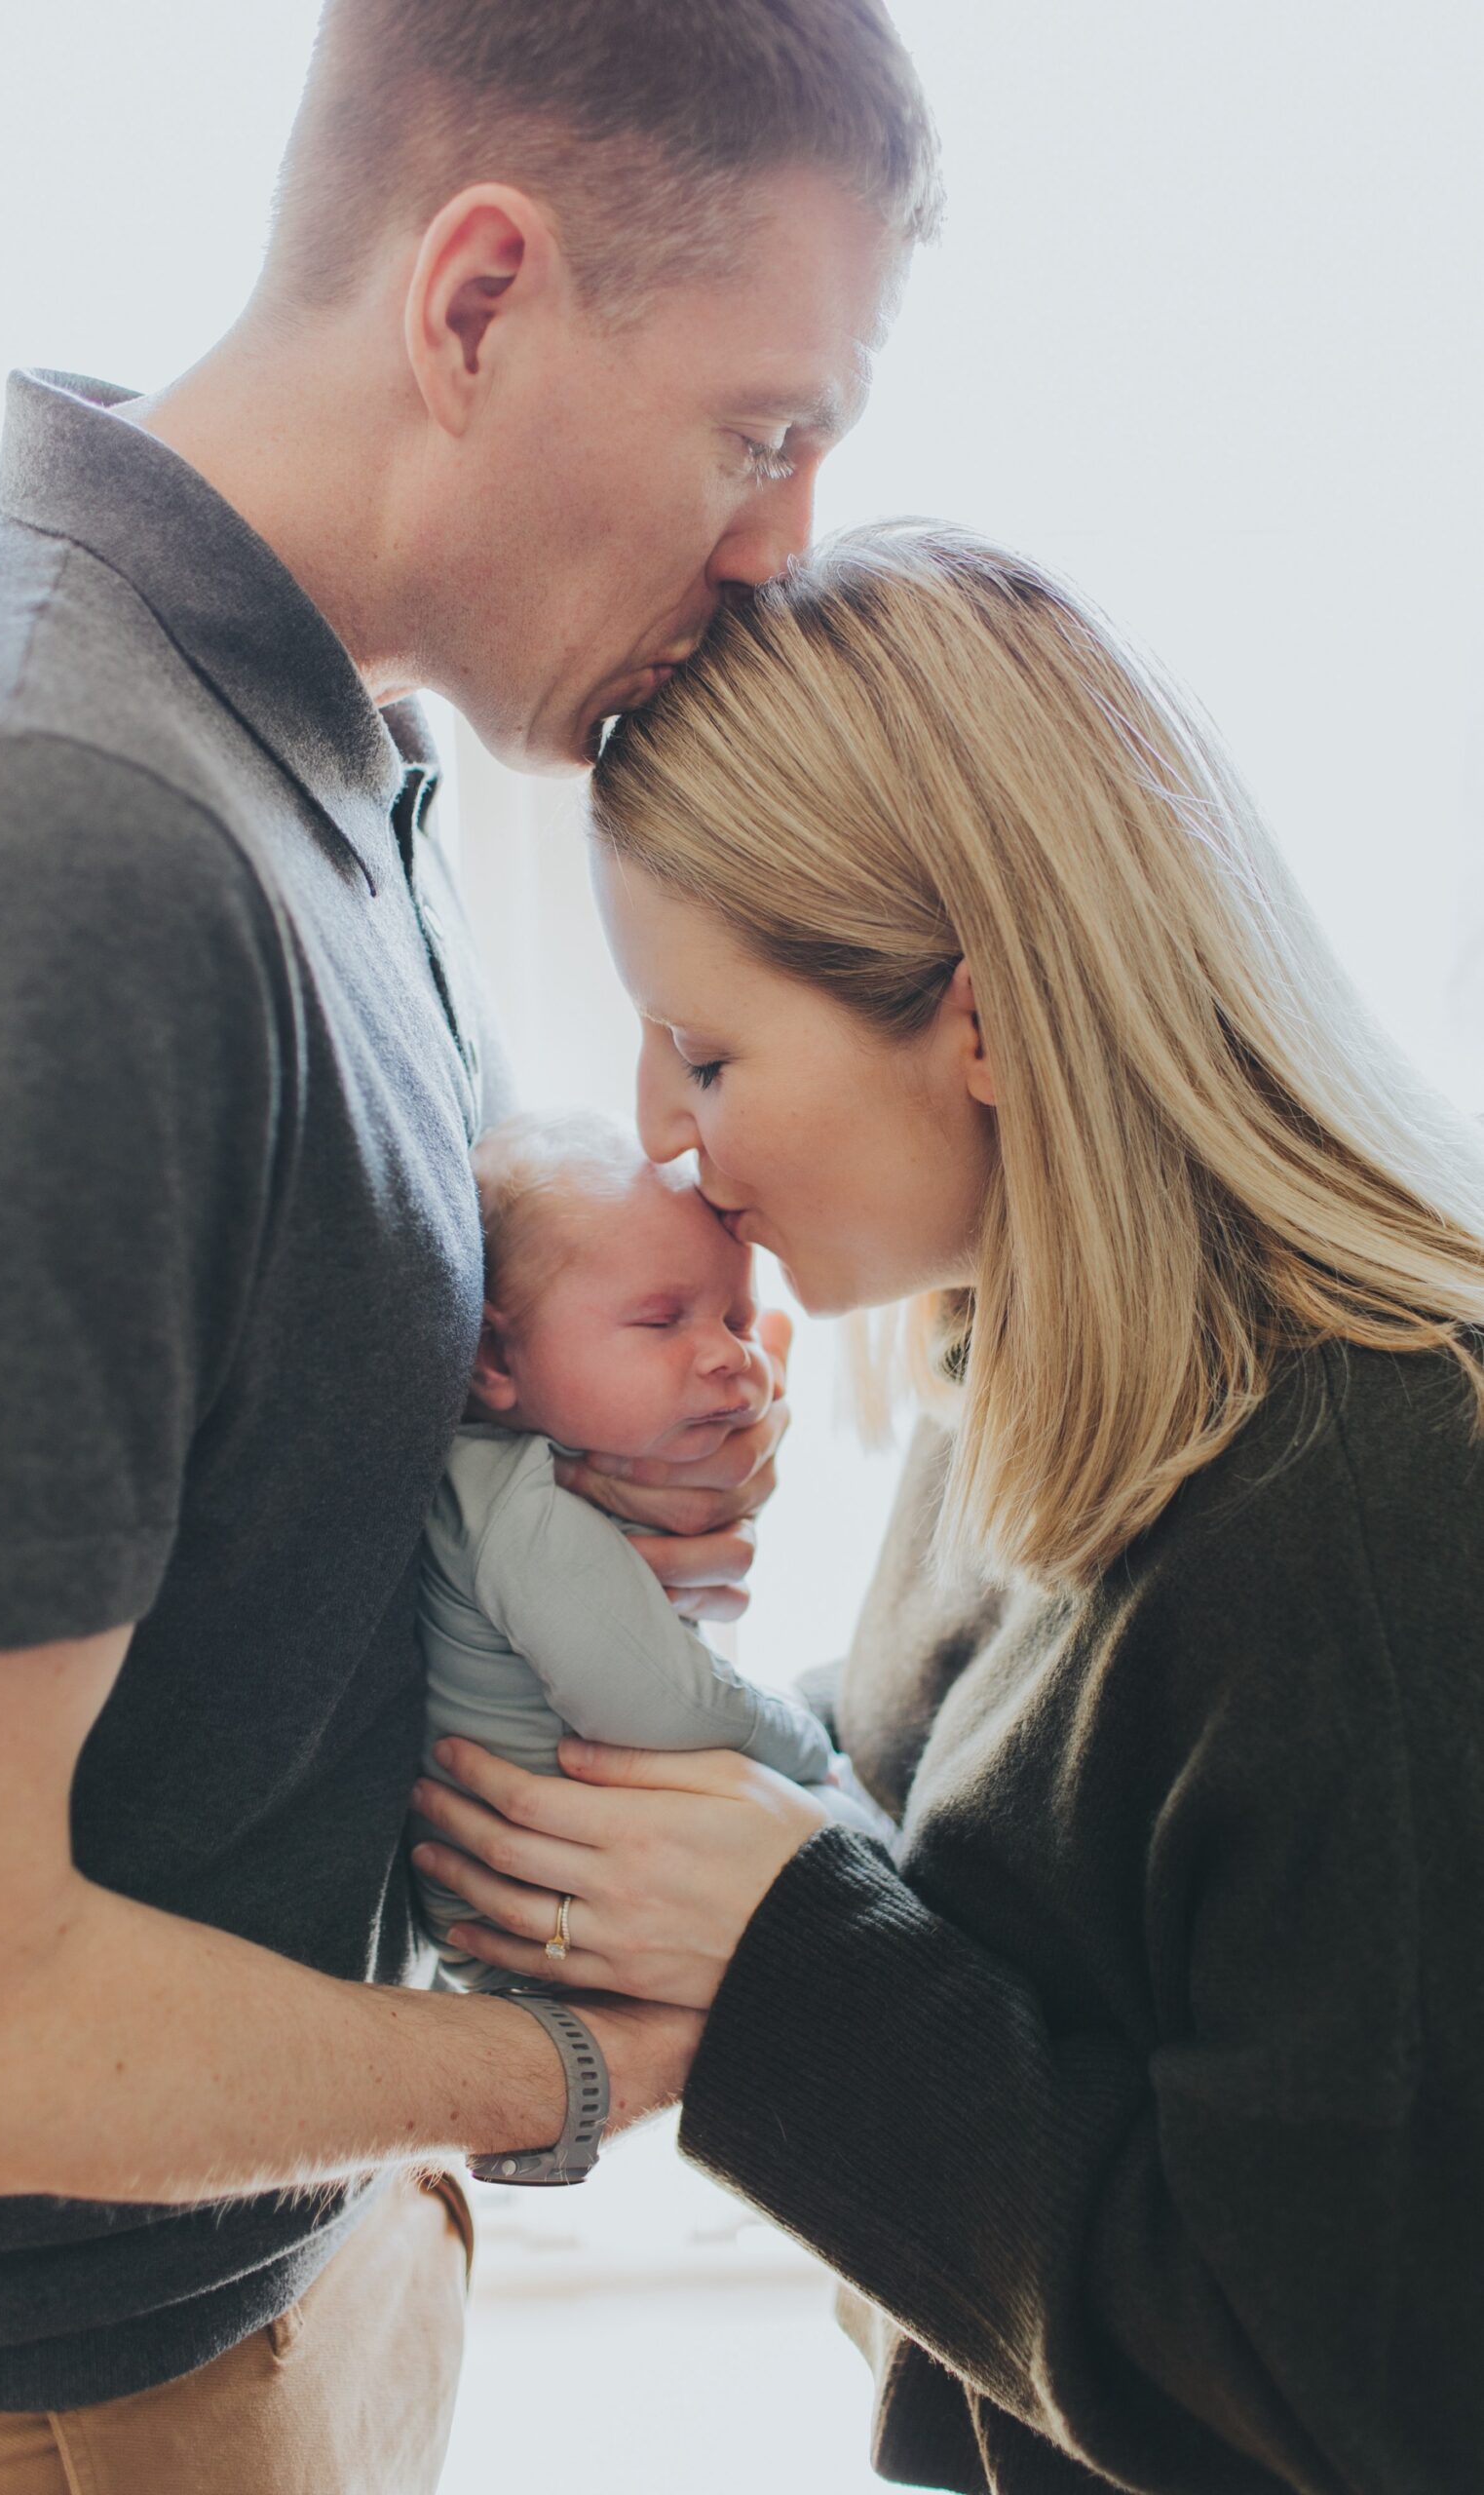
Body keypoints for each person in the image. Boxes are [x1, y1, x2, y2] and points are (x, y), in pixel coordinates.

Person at [0, 4, 938, 2487]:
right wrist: (594, 2058)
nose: (780, 540)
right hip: (37, 2388)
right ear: (469, 303)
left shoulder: (324, 743)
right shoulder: (49, 831)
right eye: (759, 430)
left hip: (289, 2234)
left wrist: (553, 1414)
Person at [407, 522, 1484, 2493]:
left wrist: (782, 1959)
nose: (661, 1128)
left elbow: (1359, 2397)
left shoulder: (1379, 1509)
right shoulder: (1025, 1369)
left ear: (976, 1022)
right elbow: (1054, 1850)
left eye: (709, 1047)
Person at [413, 1109, 887, 1992]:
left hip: (586, 1883)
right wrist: (810, 1748)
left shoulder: (548, 1470)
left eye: (737, 1317)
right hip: (556, 1913)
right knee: (864, 1853)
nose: (727, 1356)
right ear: (492, 1357)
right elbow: (660, 1707)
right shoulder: (519, 1508)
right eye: (662, 1321)